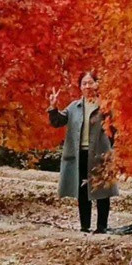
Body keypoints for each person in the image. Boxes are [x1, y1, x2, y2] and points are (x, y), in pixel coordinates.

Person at [47, 71, 119, 233]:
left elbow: (114, 129)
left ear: (96, 84)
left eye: (90, 82)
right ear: (80, 87)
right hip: (80, 154)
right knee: (82, 191)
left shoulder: (105, 107)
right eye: (84, 83)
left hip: (100, 154)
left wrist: (108, 147)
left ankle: (102, 227)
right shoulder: (74, 107)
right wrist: (53, 107)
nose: (87, 86)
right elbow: (58, 121)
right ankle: (84, 226)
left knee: (102, 190)